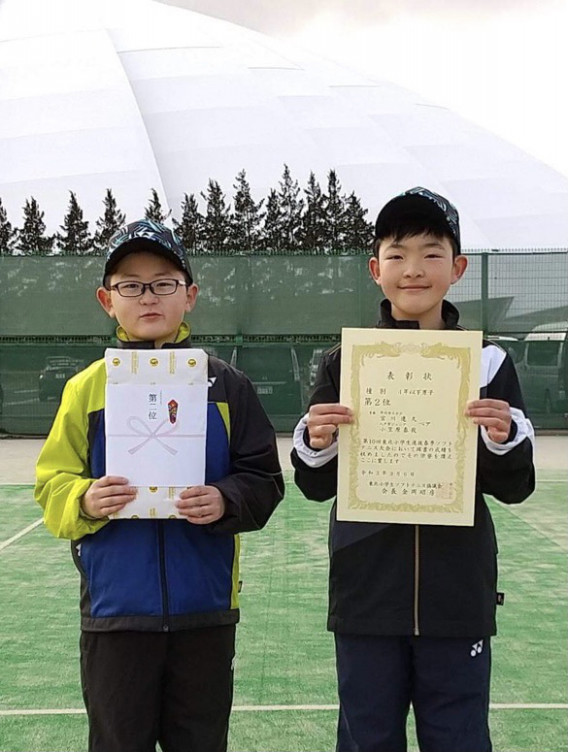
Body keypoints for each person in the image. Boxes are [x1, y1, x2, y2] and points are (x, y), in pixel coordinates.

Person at [290, 187, 535, 752]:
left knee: (459, 737)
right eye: (397, 255)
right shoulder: (344, 360)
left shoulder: (488, 361)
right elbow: (314, 483)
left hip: (458, 595)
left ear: (458, 267)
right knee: (366, 738)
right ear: (375, 269)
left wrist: (502, 439)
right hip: (366, 591)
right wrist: (318, 441)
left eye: (431, 253)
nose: (414, 270)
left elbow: (515, 487)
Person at [35, 219, 284, 752]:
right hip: (115, 612)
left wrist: (224, 499)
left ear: (189, 295)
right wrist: (83, 498)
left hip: (206, 610)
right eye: (131, 284)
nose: (148, 296)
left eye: (164, 283)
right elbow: (50, 484)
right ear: (108, 299)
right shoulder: (86, 389)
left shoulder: (228, 385)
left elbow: (264, 480)